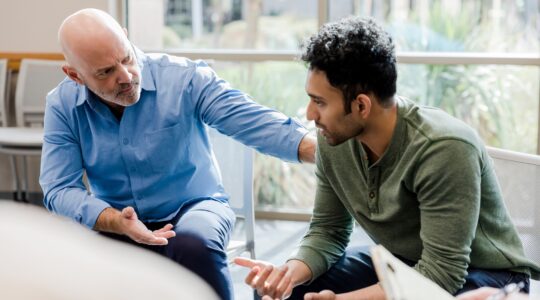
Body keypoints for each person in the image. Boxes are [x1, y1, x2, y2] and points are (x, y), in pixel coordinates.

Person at [235, 16, 540, 300]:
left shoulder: (444, 148)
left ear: (361, 106)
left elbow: (441, 275)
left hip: (485, 275)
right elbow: (328, 231)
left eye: (319, 102)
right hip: (404, 261)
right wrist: (288, 273)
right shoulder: (334, 140)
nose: (310, 114)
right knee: (293, 291)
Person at [39, 8, 316, 300]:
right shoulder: (62, 105)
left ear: (126, 36)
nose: (126, 77)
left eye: (127, 58)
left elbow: (251, 121)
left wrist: (322, 149)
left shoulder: (184, 78)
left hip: (196, 205)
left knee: (193, 243)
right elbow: (58, 189)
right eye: (106, 72)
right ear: (75, 75)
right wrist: (113, 220)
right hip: (119, 215)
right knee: (79, 264)